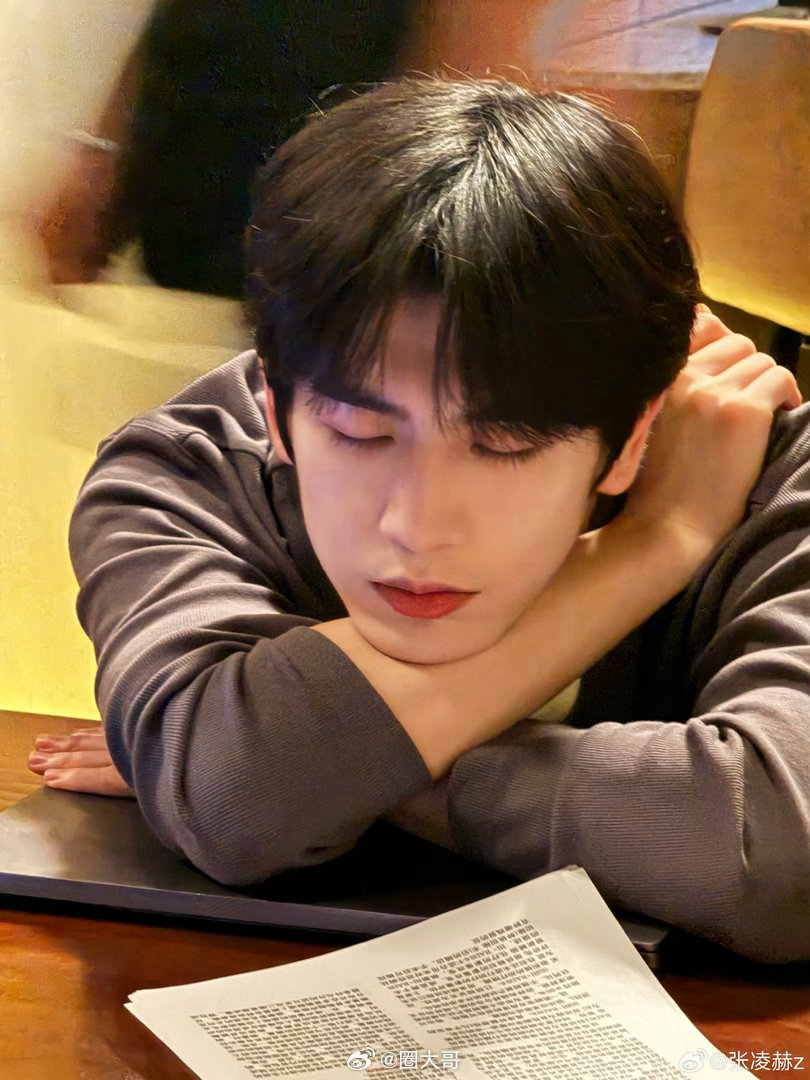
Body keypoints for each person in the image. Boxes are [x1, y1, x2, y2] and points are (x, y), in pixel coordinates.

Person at [29, 78, 809, 963]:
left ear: (631, 438)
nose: (416, 524)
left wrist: (299, 773)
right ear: (279, 411)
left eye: (506, 444)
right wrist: (657, 539)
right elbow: (234, 789)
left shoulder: (768, 475)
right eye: (360, 433)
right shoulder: (181, 472)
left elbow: (778, 856)